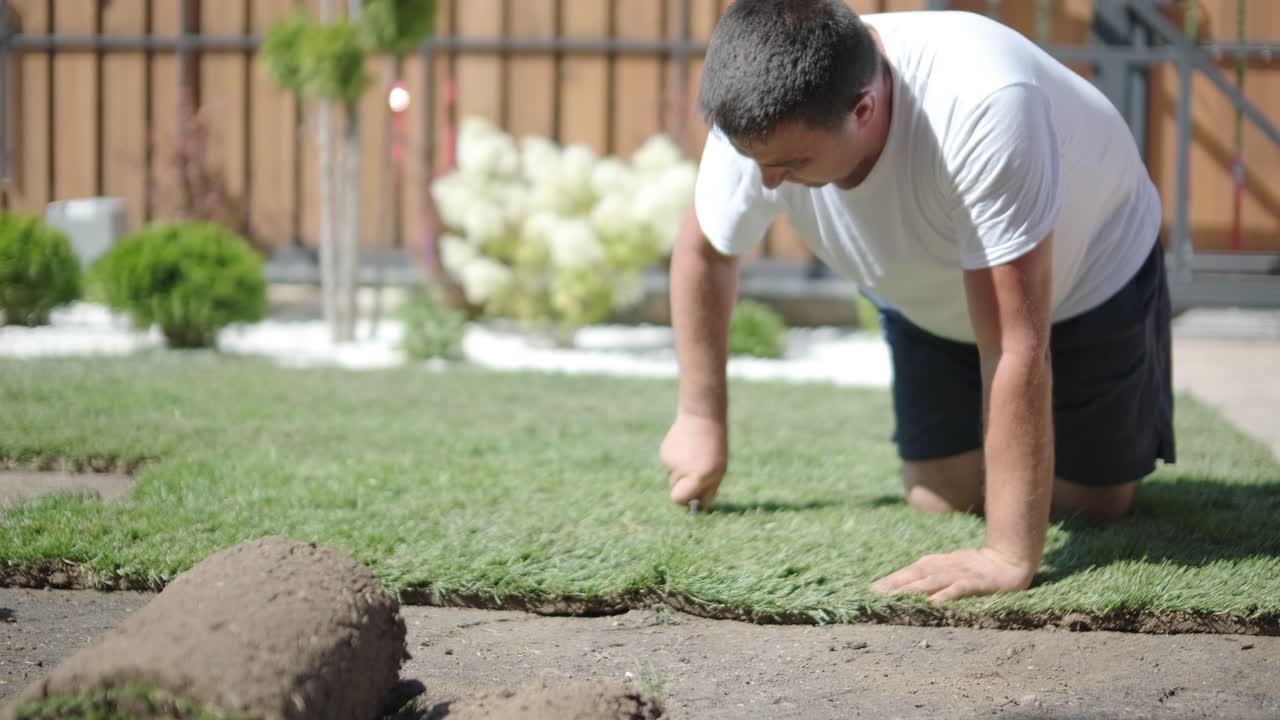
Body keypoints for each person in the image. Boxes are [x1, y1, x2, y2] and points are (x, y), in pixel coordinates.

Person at [659, 0, 1175, 603]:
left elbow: (1014, 344)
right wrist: (700, 418)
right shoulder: (760, 107)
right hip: (923, 291)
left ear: (864, 108)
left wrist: (1008, 554)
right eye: (757, 162)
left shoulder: (981, 101)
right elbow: (706, 253)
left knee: (1088, 508)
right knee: (940, 501)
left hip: (1088, 278)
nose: (766, 181)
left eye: (791, 163)